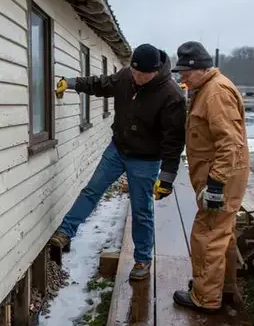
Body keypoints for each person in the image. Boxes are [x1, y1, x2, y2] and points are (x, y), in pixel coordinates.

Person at [51, 44, 187, 280]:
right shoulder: (127, 77)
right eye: (134, 73)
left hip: (146, 160)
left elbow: (174, 142)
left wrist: (166, 178)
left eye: (142, 75)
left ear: (156, 71)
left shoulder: (171, 95)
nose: (137, 78)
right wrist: (71, 83)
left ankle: (142, 260)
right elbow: (100, 84)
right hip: (118, 149)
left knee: (141, 209)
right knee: (92, 190)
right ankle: (65, 232)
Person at [171, 41, 250, 313]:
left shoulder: (215, 93)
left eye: (186, 72)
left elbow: (230, 143)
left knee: (207, 235)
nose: (182, 77)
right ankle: (221, 287)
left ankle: (204, 298)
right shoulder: (206, 88)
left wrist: (215, 183)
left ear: (202, 69)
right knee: (221, 233)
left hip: (221, 179)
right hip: (219, 175)